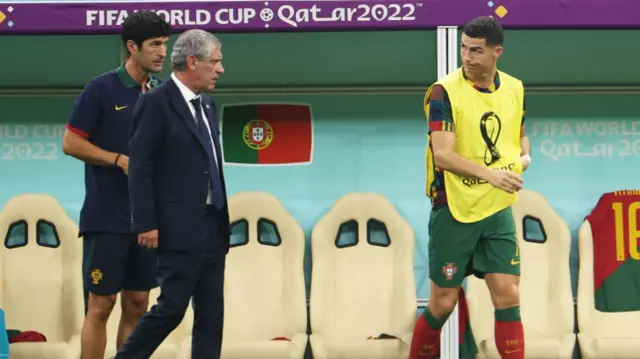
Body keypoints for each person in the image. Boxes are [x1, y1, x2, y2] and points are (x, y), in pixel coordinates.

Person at [409, 16, 531, 359]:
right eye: (464, 48)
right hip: (453, 208)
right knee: (443, 303)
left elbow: (519, 135)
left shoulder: (515, 88)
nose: (467, 56)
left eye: (476, 50)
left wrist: (524, 156)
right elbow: (444, 156)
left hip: (497, 208)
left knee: (508, 295)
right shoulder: (443, 92)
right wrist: (491, 174)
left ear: (497, 52)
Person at [62, 10, 170, 359]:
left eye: (165, 44)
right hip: (106, 218)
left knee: (138, 303)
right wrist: (118, 160)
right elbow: (71, 143)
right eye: (154, 44)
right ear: (131, 47)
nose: (162, 52)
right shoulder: (101, 88)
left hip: (146, 221)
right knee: (101, 305)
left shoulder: (160, 94)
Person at [116, 29, 229, 359]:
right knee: (171, 308)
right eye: (216, 62)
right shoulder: (155, 103)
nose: (220, 70)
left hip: (212, 225)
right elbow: (140, 167)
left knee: (211, 315)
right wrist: (146, 222)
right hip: (176, 226)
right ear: (192, 62)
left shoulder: (207, 105)